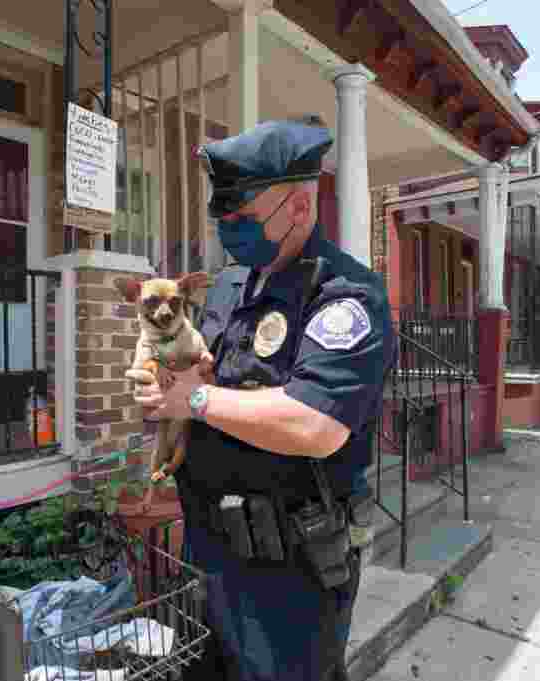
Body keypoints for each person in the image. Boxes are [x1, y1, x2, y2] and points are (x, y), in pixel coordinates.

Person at [133, 116, 396, 681]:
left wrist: (195, 401)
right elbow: (204, 378)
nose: (231, 230)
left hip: (289, 573)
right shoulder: (230, 285)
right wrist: (163, 390)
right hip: (209, 553)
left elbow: (315, 424)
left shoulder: (343, 295)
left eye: (245, 218)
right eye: (223, 218)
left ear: (300, 207)